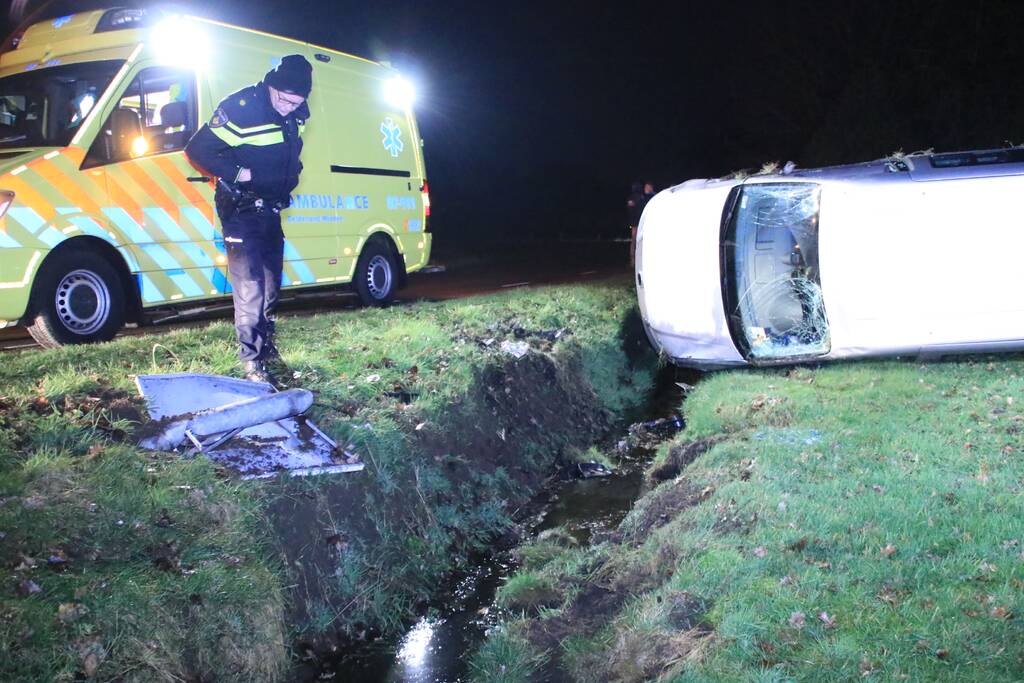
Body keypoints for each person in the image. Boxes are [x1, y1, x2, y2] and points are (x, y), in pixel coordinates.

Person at [185, 55, 312, 385]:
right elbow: (197, 149)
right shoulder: (241, 107)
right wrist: (238, 173)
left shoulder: (296, 112)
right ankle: (252, 362)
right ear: (271, 86)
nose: (288, 107)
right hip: (240, 209)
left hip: (271, 208)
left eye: (296, 102)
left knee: (271, 284)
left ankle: (267, 349)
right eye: (284, 100)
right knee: (250, 285)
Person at [626, 181, 655, 268]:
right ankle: (634, 260)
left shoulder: (639, 197)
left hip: (638, 222)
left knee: (636, 241)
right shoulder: (640, 197)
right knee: (637, 240)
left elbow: (630, 208)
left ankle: (634, 260)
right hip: (638, 222)